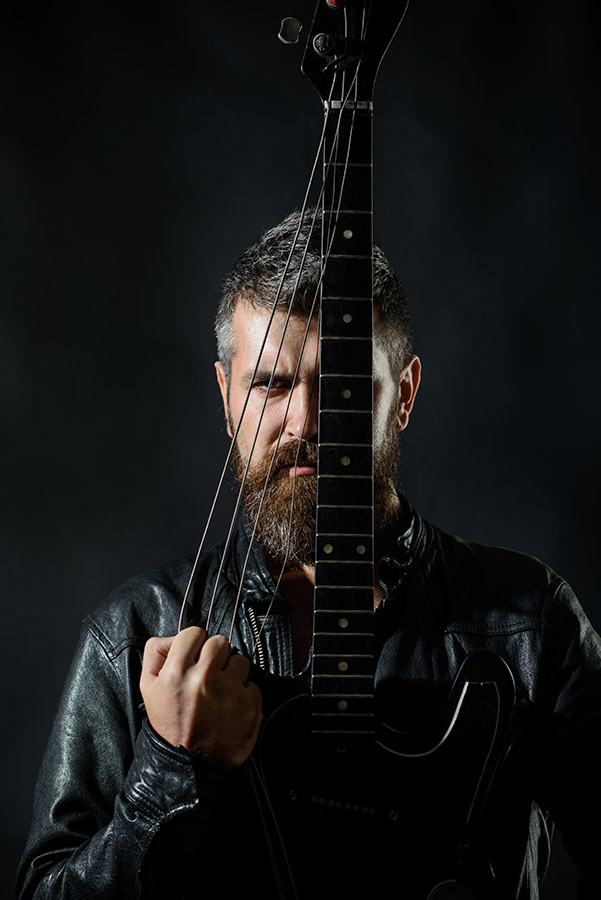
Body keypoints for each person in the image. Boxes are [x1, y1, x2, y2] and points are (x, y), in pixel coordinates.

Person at [17, 210, 601, 900]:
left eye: (345, 384)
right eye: (270, 384)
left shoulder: (531, 623)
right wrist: (172, 764)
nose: (305, 422)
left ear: (404, 396)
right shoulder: (133, 635)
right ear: (226, 398)